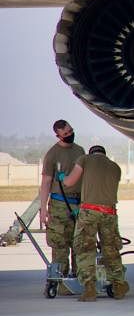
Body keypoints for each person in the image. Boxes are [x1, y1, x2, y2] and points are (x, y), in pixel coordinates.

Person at [63, 145, 127, 301]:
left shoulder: (84, 159)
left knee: (85, 249)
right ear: (104, 155)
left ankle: (89, 288)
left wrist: (62, 178)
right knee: (111, 249)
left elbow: (70, 182)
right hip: (109, 213)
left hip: (89, 212)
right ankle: (119, 285)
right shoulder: (115, 167)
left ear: (91, 154)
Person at [38, 119, 85, 278]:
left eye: (71, 131)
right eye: (65, 134)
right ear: (58, 136)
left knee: (79, 243)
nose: (70, 135)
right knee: (60, 245)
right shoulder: (52, 154)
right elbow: (46, 182)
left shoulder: (80, 151)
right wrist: (43, 208)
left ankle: (79, 278)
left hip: (78, 203)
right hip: (59, 205)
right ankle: (61, 281)